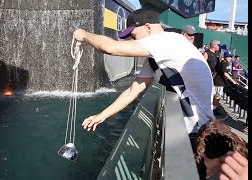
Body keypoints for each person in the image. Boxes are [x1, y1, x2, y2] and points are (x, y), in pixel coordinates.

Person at [74, 8, 215, 143]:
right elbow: (132, 91)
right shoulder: (156, 58)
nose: (132, 39)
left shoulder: (168, 40)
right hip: (189, 130)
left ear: (147, 27)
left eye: (134, 35)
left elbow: (110, 47)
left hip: (199, 132)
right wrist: (102, 116)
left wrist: (84, 35)